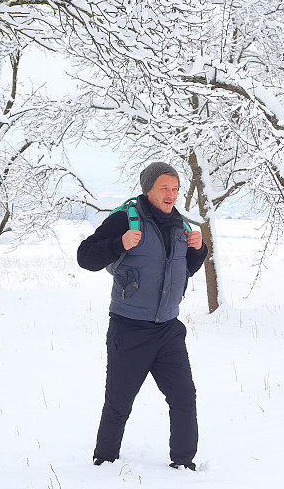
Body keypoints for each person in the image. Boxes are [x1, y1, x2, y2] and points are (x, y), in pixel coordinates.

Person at [77, 161, 208, 471]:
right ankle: (105, 461)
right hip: (129, 329)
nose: (171, 194)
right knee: (119, 403)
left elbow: (183, 270)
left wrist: (199, 249)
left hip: (168, 330)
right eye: (164, 188)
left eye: (175, 189)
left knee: (184, 398)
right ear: (149, 189)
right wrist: (118, 243)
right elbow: (86, 257)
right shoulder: (126, 220)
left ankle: (184, 463)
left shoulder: (180, 226)